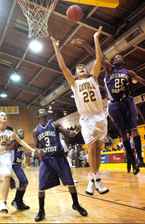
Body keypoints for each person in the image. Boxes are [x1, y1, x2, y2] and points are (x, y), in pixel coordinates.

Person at [51, 26, 109, 195]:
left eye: (84, 67)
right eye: (78, 68)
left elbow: (99, 58)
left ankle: (94, 178)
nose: (81, 68)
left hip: (100, 116)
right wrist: (56, 47)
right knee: (91, 148)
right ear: (76, 74)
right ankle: (96, 180)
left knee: (98, 149)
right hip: (87, 119)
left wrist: (96, 38)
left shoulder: (93, 77)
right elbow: (63, 67)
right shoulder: (74, 83)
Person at [33, 109, 88, 222]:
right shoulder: (35, 131)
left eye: (45, 114)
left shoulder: (54, 124)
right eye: (41, 114)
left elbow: (67, 133)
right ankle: (41, 210)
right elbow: (36, 147)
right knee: (41, 187)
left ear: (47, 115)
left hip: (59, 158)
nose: (43, 115)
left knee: (70, 183)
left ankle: (76, 204)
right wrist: (37, 151)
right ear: (38, 116)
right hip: (46, 160)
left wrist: (73, 133)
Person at [103, 54, 145, 173]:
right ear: (112, 61)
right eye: (115, 57)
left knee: (134, 129)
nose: (118, 57)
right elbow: (100, 57)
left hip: (127, 101)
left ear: (123, 61)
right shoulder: (109, 69)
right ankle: (131, 160)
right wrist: (87, 45)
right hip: (114, 104)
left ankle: (140, 160)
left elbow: (141, 80)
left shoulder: (129, 72)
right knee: (123, 134)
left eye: (120, 57)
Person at [0, 112, 35, 213]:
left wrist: (32, 150)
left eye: (5, 116)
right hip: (9, 162)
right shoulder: (11, 141)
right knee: (7, 178)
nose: (4, 116)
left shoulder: (10, 133)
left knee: (7, 176)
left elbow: (22, 142)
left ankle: (6, 203)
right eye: (1, 115)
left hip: (8, 162)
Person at [10, 128, 30, 210]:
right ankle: (17, 201)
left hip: (18, 166)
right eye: (20, 132)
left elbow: (22, 153)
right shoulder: (14, 142)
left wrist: (25, 159)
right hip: (13, 165)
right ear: (16, 134)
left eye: (23, 132)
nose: (22, 133)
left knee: (23, 183)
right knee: (23, 182)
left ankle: (18, 201)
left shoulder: (21, 144)